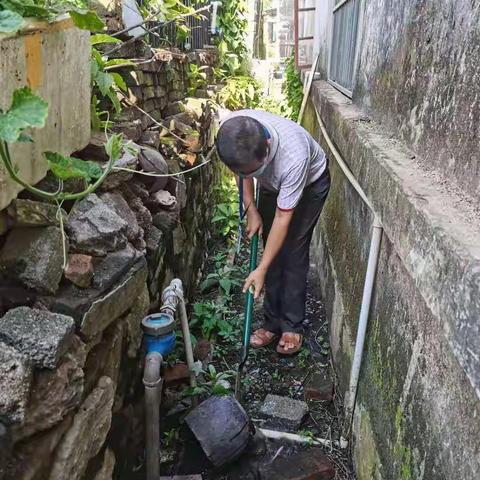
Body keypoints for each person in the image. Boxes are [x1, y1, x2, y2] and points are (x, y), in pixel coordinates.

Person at [215, 109, 330, 355]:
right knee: (272, 245)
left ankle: (291, 325)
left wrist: (262, 268)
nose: (249, 174)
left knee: (292, 250)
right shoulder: (231, 131)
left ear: (267, 146)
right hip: (272, 182)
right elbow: (243, 172)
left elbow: (282, 217)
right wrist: (251, 208)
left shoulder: (294, 156)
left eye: (254, 170)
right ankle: (271, 322)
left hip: (309, 185)